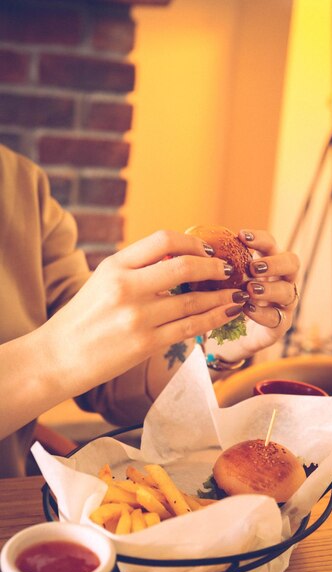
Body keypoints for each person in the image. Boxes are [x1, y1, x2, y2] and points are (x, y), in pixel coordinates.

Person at [0, 144, 299, 476]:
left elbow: (106, 377)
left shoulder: (22, 185)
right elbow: (70, 352)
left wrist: (216, 341)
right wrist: (53, 357)